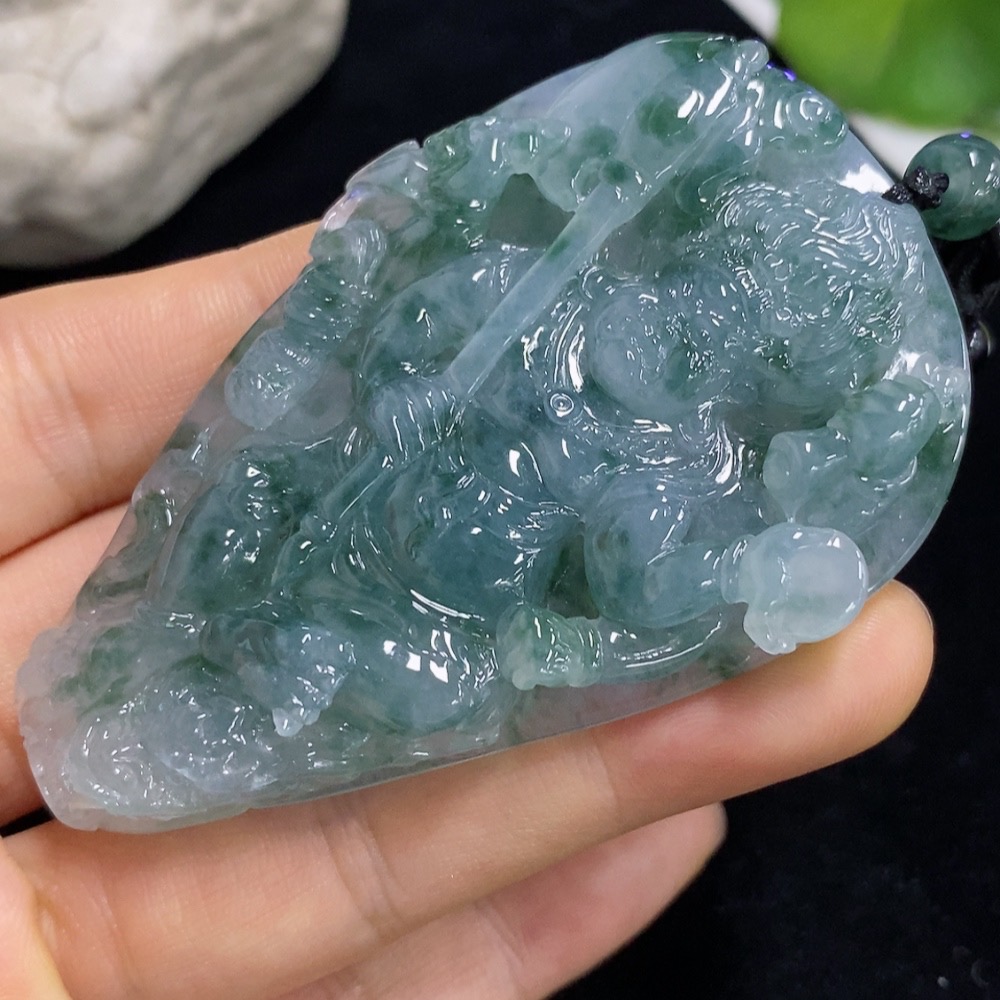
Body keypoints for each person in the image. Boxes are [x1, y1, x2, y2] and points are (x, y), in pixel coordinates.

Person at [0, 225, 933, 1000]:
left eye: (721, 354)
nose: (688, 339)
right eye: (695, 304)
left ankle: (280, 647)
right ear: (688, 261)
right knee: (251, 487)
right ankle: (196, 633)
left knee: (452, 691)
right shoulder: (545, 289)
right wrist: (395, 384)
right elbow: (419, 314)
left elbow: (640, 585)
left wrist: (739, 566)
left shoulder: (673, 463)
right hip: (348, 499)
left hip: (433, 616)